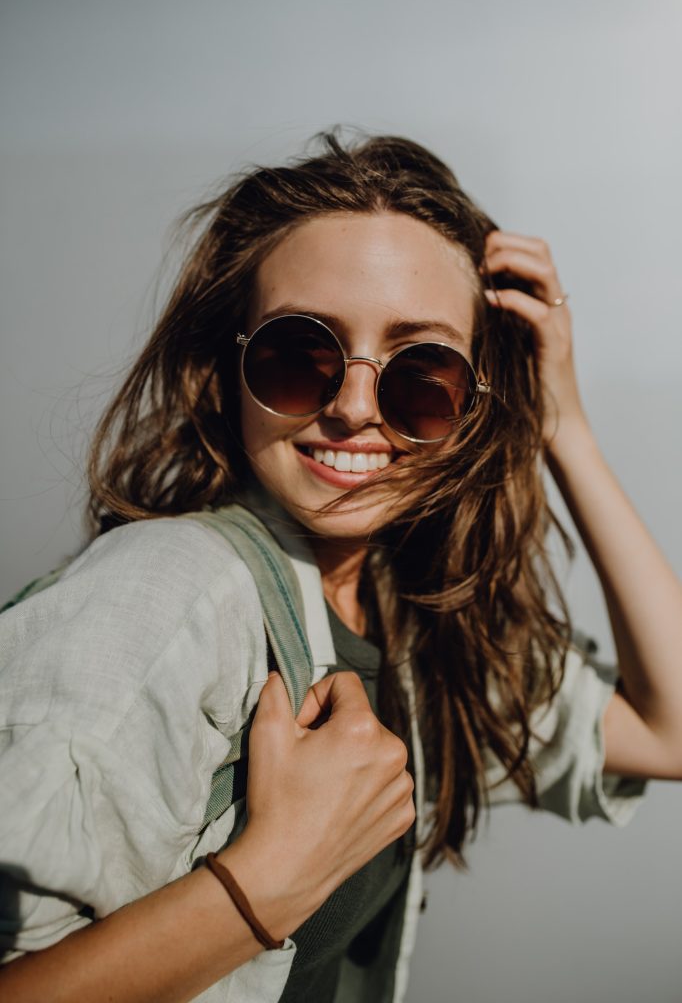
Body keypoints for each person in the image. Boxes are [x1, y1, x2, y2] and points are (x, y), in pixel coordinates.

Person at [0, 131, 680, 1003]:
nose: (355, 407)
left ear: (475, 406)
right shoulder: (163, 598)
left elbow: (670, 729)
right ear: (223, 370)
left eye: (422, 371)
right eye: (298, 357)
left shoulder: (403, 619)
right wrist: (268, 880)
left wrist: (563, 427)